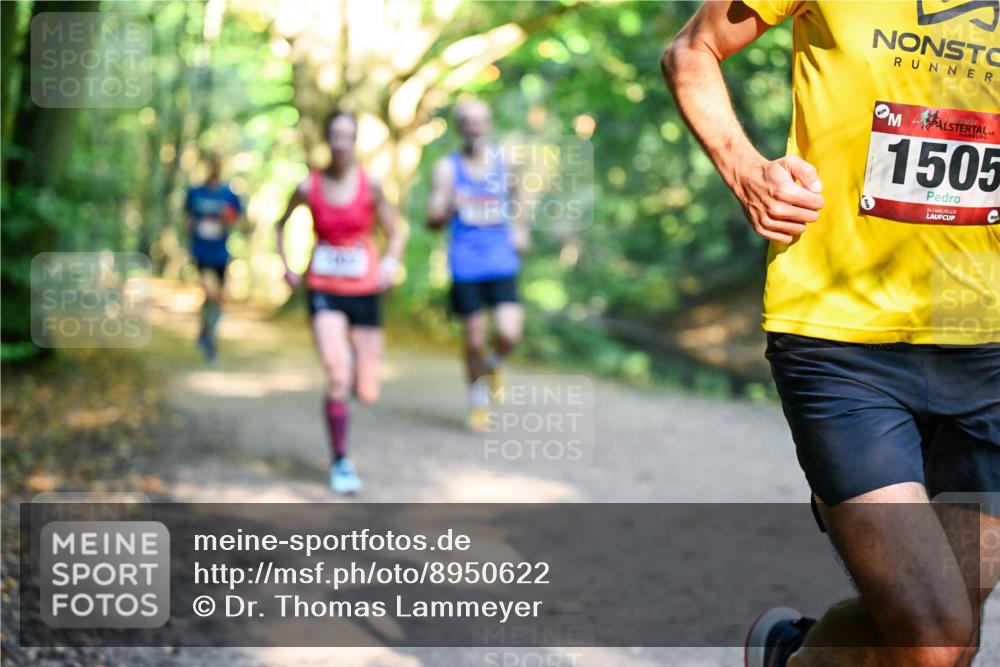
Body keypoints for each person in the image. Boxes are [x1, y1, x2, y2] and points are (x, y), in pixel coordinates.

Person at [662, 2, 998, 666]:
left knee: (947, 637)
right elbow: (692, 50)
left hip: (987, 349)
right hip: (841, 336)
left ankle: (787, 655)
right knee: (933, 633)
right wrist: (746, 170)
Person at [274, 110, 406, 494]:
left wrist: (390, 263)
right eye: (336, 135)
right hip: (324, 287)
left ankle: (350, 384)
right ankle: (341, 461)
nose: (342, 143)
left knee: (366, 390)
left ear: (356, 141)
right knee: (336, 372)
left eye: (349, 136)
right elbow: (280, 226)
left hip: (365, 290)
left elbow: (395, 231)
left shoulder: (372, 185)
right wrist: (287, 267)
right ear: (327, 139)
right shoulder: (308, 186)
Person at [426, 99, 530, 431]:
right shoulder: (447, 169)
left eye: (479, 121)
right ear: (459, 127)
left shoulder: (504, 162)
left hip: (501, 259)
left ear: (488, 124)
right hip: (465, 262)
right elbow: (431, 220)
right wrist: (449, 209)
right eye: (467, 122)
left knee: (510, 333)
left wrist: (521, 229)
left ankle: (494, 362)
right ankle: (478, 400)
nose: (474, 127)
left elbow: (519, 197)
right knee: (472, 338)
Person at [185, 153, 243, 361]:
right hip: (200, 251)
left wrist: (228, 218)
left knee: (216, 299)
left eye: (218, 166)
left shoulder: (229, 194)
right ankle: (207, 336)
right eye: (212, 166)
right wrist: (191, 228)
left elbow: (240, 220)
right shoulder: (195, 192)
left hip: (220, 253)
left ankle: (205, 334)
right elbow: (187, 218)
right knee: (211, 293)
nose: (214, 170)